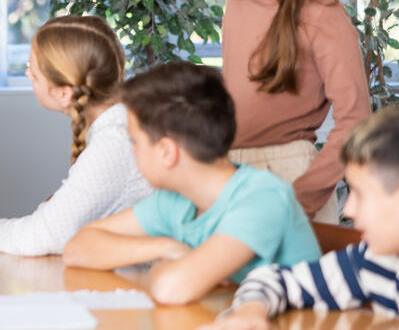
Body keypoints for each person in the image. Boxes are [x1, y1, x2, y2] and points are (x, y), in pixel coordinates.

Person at [63, 62, 321, 305]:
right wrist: (166, 247)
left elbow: (171, 288)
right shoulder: (176, 200)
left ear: (167, 152)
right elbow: (77, 248)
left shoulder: (262, 198)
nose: (132, 152)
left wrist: (164, 264)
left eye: (135, 142)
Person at [213, 0, 369, 222]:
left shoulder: (322, 13)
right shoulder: (236, 2)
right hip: (231, 173)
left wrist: (301, 196)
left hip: (289, 178)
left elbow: (355, 119)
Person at [204, 102, 399, 328]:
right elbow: (273, 279)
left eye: (359, 194)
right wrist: (250, 312)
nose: (348, 210)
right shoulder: (377, 262)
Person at [0, 15, 153, 255]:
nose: (27, 76)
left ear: (65, 93)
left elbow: (42, 236)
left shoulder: (114, 142)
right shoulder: (121, 123)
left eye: (33, 73)